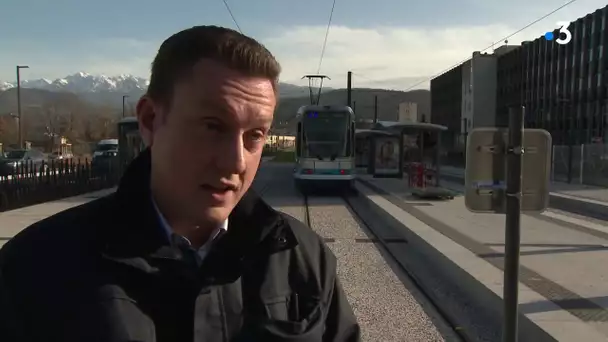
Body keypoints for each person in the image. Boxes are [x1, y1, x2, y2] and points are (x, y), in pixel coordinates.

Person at [0, 25, 361, 342]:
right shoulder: (35, 267)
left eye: (254, 136)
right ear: (150, 119)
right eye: (212, 127)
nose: (236, 161)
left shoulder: (304, 260)